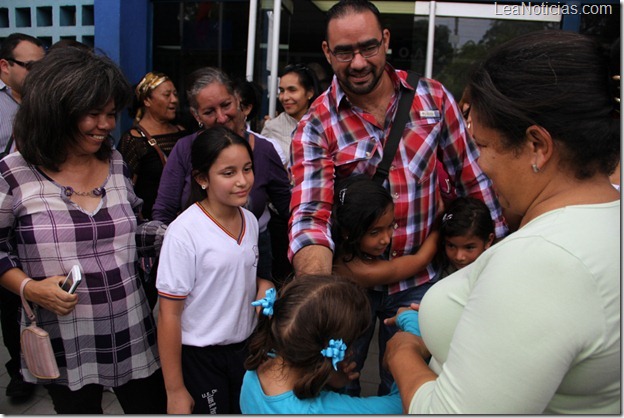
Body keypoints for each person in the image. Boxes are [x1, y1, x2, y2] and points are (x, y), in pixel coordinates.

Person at [384, 30, 620, 414]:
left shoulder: (542, 261)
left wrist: (403, 353)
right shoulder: (606, 216)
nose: (480, 164)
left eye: (483, 146)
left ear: (537, 146)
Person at [288, 0, 505, 396]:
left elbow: (474, 186)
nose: (357, 62)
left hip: (422, 283)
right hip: (348, 288)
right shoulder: (315, 124)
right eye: (343, 52)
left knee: (414, 389)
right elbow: (310, 216)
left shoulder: (434, 100)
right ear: (326, 52)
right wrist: (319, 298)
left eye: (368, 47)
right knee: (336, 389)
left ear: (386, 41)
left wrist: (497, 265)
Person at [0, 45, 166, 414]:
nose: (107, 125)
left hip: (131, 327)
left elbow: (132, 234)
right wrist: (30, 288)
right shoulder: (12, 173)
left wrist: (182, 234)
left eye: (110, 114)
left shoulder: (116, 161)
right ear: (56, 111)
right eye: (93, 114)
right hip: (65, 338)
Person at [157, 126, 274, 414]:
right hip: (201, 359)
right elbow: (168, 314)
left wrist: (266, 292)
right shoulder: (183, 233)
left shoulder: (249, 220)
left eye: (247, 169)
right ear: (201, 178)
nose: (243, 181)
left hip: (244, 351)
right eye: (228, 173)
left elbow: (255, 277)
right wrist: (174, 390)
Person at [152, 67, 291, 285]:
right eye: (209, 112)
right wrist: (174, 254)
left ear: (238, 100)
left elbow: (288, 208)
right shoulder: (185, 150)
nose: (221, 117)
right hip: (197, 256)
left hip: (255, 253)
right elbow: (164, 212)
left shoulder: (264, 151)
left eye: (226, 105)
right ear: (196, 115)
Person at [240, 274, 404, 414]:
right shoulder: (319, 410)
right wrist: (407, 342)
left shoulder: (254, 372)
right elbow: (404, 404)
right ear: (341, 347)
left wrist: (330, 381)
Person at [0, 32, 45, 402]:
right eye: (30, 66)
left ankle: (45, 361)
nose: (37, 73)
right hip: (3, 212)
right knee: (10, 297)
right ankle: (20, 370)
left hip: (37, 214)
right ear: (5, 66)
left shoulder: (47, 104)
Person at [332, 174, 439, 286]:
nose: (386, 239)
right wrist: (438, 227)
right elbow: (420, 261)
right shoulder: (359, 271)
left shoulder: (345, 251)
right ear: (347, 232)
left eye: (390, 226)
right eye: (374, 233)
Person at [118, 71, 188, 220]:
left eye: (175, 94)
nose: (174, 100)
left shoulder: (183, 134)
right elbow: (124, 192)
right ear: (147, 100)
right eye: (167, 95)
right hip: (152, 228)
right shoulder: (133, 140)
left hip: (185, 223)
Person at [261, 63, 320, 158]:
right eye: (282, 91)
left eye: (292, 90)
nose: (285, 97)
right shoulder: (272, 128)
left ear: (310, 93)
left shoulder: (324, 124)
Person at [436, 196, 494, 278]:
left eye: (469, 247)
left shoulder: (494, 270)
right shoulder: (442, 274)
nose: (459, 257)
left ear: (488, 240)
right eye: (451, 246)